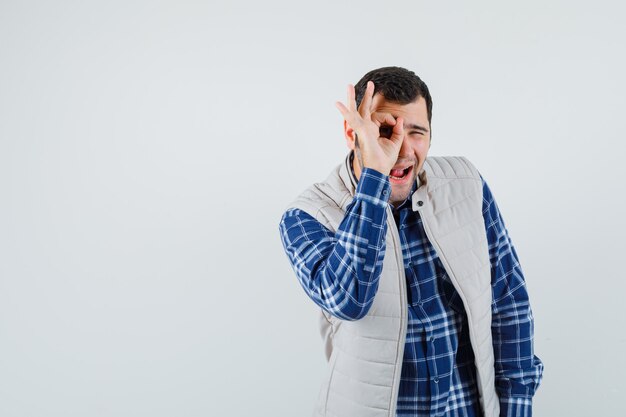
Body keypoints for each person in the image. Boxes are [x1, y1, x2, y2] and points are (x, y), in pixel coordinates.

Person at [278, 66, 543, 417]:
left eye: (416, 132)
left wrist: (517, 406)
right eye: (385, 131)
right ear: (351, 132)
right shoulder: (307, 216)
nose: (401, 148)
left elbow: (508, 303)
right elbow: (348, 299)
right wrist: (374, 177)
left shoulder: (466, 183)